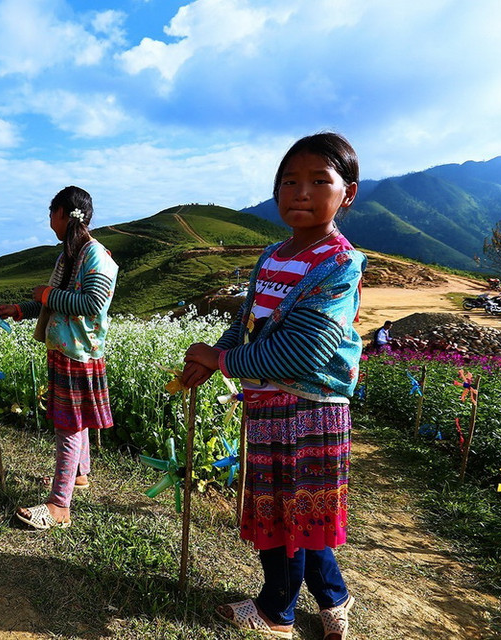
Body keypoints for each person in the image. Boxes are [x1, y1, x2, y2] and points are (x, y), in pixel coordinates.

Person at [181, 132, 365, 640]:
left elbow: (306, 352)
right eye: (288, 181)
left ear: (347, 193)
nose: (300, 192)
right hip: (267, 405)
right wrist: (213, 356)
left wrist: (223, 360)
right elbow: (249, 322)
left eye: (317, 181)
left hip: (311, 408)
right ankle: (335, 598)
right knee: (295, 511)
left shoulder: (339, 264)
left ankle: (275, 612)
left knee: (286, 518)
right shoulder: (272, 255)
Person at [0, 185, 118, 531]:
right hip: (67, 350)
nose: (50, 220)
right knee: (74, 420)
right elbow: (56, 300)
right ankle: (80, 475)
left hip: (79, 353)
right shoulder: (68, 256)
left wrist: (47, 293)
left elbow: (92, 304)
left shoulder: (95, 256)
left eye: (52, 212)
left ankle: (59, 506)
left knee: (68, 426)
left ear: (65, 214)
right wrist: (22, 308)